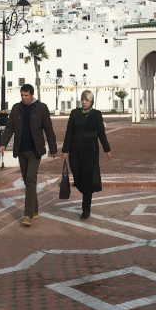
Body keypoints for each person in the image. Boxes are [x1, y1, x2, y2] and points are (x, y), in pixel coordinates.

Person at [0, 84, 57, 226]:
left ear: (32, 95)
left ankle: (28, 215)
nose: (23, 98)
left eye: (26, 95)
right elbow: (9, 128)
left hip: (35, 151)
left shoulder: (41, 108)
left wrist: (53, 147)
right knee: (27, 182)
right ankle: (35, 209)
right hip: (21, 150)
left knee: (31, 180)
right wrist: (3, 143)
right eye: (22, 95)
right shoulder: (16, 108)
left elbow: (48, 129)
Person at [62, 90, 111, 219]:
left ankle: (86, 209)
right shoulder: (74, 113)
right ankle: (85, 190)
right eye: (83, 99)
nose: (84, 102)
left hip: (91, 150)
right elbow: (69, 133)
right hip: (75, 150)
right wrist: (65, 150)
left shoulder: (96, 115)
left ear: (91, 101)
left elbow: (101, 133)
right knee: (78, 177)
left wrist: (107, 149)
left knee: (88, 178)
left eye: (87, 100)